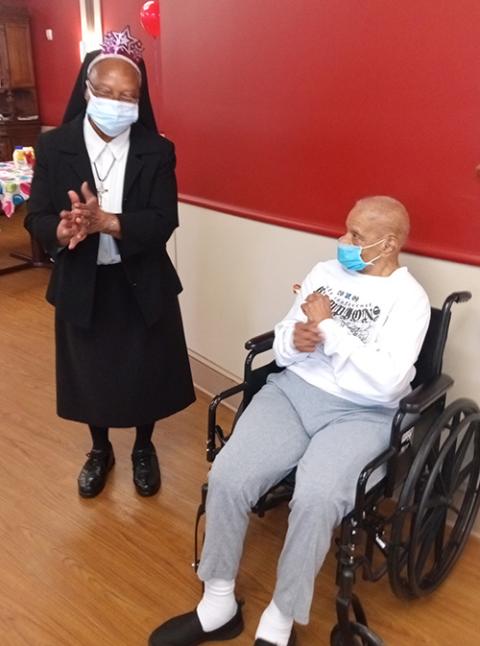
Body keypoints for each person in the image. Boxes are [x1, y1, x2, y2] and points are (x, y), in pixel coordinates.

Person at [148, 196, 430, 646]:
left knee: (317, 500)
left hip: (362, 413)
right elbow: (281, 342)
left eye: (357, 236)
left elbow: (387, 382)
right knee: (228, 476)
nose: (344, 242)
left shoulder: (410, 299)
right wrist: (297, 340)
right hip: (295, 392)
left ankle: (280, 620)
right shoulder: (326, 272)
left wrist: (330, 330)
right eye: (346, 229)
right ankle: (217, 603)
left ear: (389, 242)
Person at [25, 26, 195, 499]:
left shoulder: (156, 149)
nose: (118, 102)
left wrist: (108, 222)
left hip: (140, 279)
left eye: (129, 95)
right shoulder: (55, 146)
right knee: (90, 375)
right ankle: (99, 449)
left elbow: (163, 221)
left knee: (145, 372)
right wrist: (60, 231)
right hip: (84, 280)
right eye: (107, 92)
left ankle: (144, 446)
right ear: (86, 90)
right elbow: (36, 217)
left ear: (140, 99)